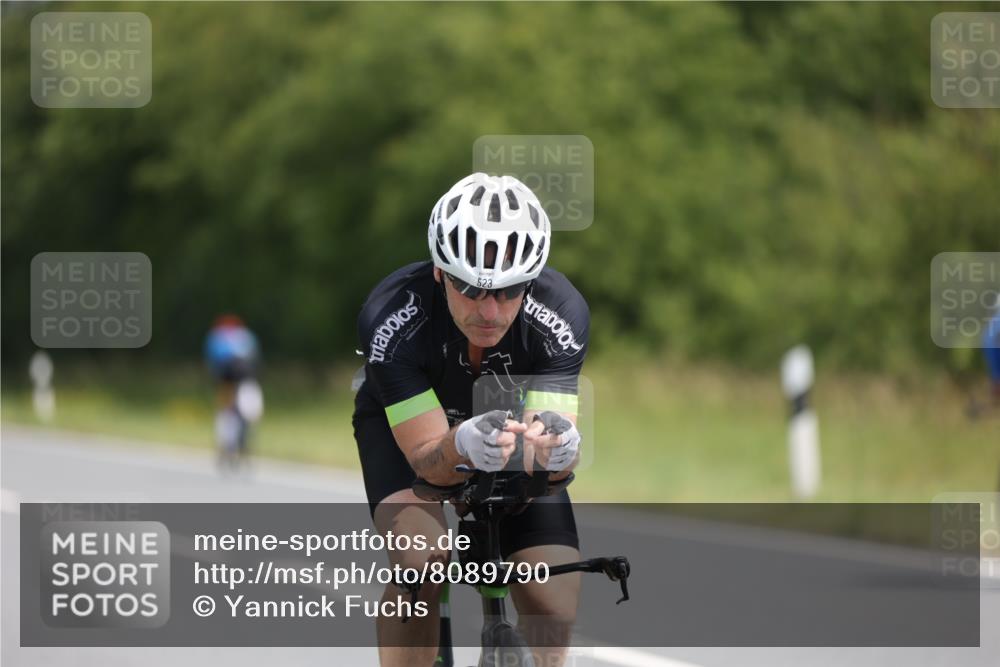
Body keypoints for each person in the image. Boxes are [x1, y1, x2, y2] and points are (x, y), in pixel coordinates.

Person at [353, 173, 588, 667]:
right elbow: (427, 460)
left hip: (507, 423)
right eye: (470, 289)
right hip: (412, 432)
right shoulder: (393, 317)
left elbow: (547, 461)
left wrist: (560, 454)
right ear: (440, 272)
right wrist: (460, 444)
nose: (489, 311)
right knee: (421, 565)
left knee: (553, 600)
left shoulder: (561, 314)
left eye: (508, 291)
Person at [204, 314, 262, 469]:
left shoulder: (217, 337)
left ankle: (227, 448)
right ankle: (240, 448)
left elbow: (212, 363)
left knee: (227, 415)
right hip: (245, 381)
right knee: (245, 417)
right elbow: (256, 359)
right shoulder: (247, 337)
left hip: (227, 382)